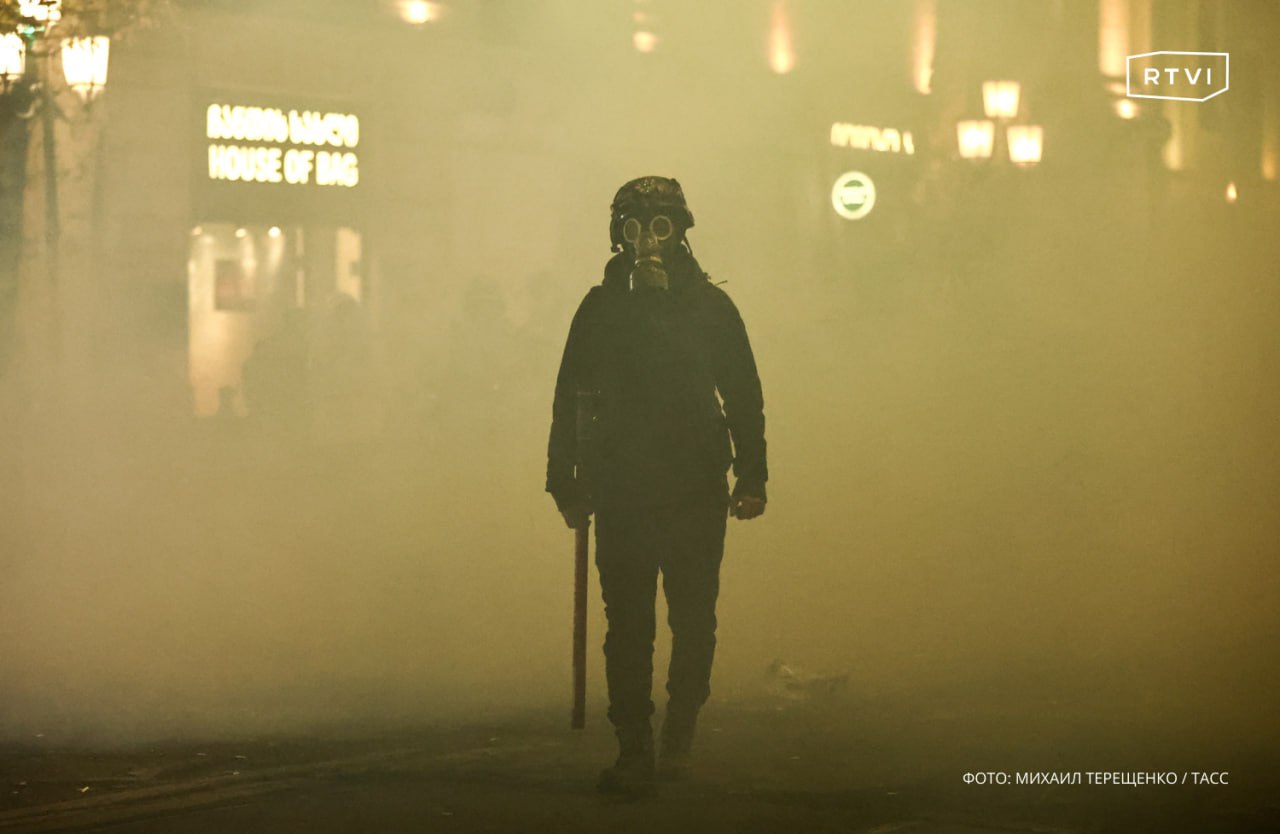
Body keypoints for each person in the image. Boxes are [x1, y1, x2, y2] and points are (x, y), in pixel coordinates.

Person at [546, 176, 768, 796]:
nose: (647, 241)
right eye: (635, 227)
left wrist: (753, 475)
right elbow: (571, 395)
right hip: (622, 487)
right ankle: (635, 746)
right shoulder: (601, 308)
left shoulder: (709, 309)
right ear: (619, 235)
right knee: (629, 625)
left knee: (693, 619)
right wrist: (562, 478)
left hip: (694, 484)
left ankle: (680, 732)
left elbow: (743, 395)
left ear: (681, 234)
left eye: (660, 227)